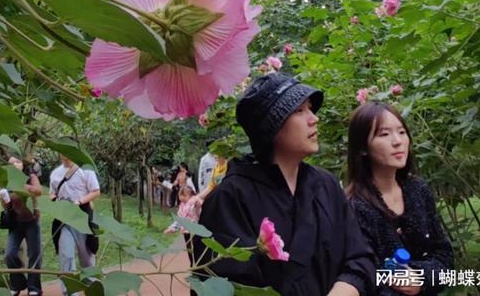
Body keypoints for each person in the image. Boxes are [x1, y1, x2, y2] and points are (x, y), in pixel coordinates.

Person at [193, 72, 375, 295]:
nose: (313, 118)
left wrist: (344, 289)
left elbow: (359, 257)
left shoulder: (325, 185)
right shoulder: (231, 197)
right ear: (272, 126)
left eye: (310, 108)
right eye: (299, 110)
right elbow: (223, 286)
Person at [346, 102, 454, 296]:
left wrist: (420, 278)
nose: (397, 141)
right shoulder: (355, 207)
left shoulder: (417, 189)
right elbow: (361, 277)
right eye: (384, 134)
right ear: (363, 148)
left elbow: (444, 255)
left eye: (402, 132)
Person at [49, 154, 101, 296]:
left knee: (87, 257)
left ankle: (90, 286)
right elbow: (51, 194)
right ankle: (69, 292)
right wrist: (56, 201)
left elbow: (95, 191)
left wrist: (79, 201)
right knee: (66, 255)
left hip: (82, 217)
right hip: (64, 219)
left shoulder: (86, 170)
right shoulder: (55, 173)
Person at [0, 156, 43, 296]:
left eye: (17, 162)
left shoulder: (30, 177)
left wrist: (20, 186)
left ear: (22, 164)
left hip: (32, 221)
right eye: (11, 163)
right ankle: (18, 283)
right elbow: (7, 207)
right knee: (10, 254)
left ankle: (34, 288)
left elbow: (38, 191)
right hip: (15, 223)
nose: (14, 165)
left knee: (34, 255)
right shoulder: (7, 181)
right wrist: (4, 199)